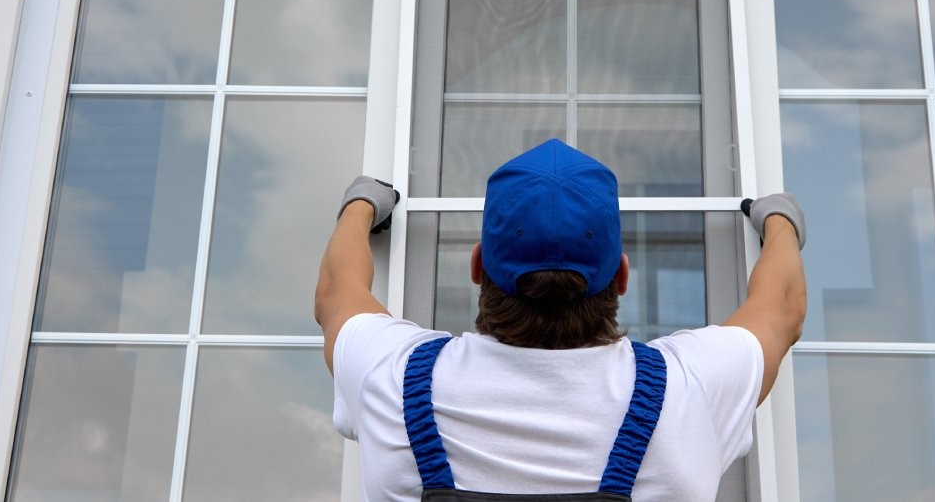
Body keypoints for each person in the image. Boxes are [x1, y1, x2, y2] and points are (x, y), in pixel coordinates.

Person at [315, 139, 806, 501]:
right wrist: (777, 221)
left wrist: (362, 204)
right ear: (621, 276)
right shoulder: (688, 387)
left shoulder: (395, 380)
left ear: (477, 267)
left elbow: (337, 293)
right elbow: (781, 309)